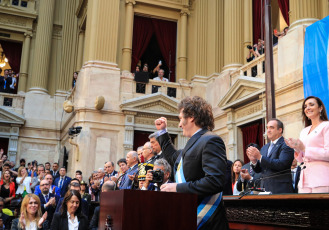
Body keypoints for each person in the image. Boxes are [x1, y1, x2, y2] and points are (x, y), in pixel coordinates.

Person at [154, 96, 228, 230]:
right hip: (190, 214)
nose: (179, 124)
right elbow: (172, 157)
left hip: (208, 222)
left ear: (192, 117)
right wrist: (162, 132)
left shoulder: (211, 140)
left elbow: (215, 181)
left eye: (181, 118)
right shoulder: (194, 142)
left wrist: (177, 188)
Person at [285, 96, 329, 193]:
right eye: (305, 106)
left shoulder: (326, 126)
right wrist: (296, 148)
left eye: (311, 105)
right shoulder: (304, 131)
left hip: (322, 179)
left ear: (320, 108)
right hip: (304, 180)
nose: (307, 108)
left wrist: (304, 149)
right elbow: (301, 159)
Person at [247, 118, 294, 194]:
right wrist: (254, 161)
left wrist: (260, 157)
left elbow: (281, 164)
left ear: (280, 130)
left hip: (281, 190)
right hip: (265, 189)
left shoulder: (286, 145)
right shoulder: (265, 147)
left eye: (271, 128)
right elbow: (260, 169)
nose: (268, 130)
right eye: (267, 128)